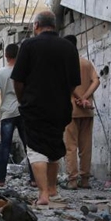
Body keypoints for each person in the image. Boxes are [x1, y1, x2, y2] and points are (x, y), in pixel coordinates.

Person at [11, 11, 81, 205]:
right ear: (54, 26)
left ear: (36, 25)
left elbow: (18, 79)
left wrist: (22, 99)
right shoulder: (68, 47)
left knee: (35, 149)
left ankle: (42, 194)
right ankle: (52, 189)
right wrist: (63, 96)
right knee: (54, 147)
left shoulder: (29, 45)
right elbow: (74, 82)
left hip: (34, 105)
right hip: (59, 107)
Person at [0, 43, 34, 188]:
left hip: (7, 113)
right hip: (22, 111)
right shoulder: (24, 71)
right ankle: (34, 179)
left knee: (5, 147)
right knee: (29, 146)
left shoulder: (1, 72)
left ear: (6, 55)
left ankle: (1, 180)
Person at [63, 35, 100, 189]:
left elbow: (67, 85)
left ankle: (72, 181)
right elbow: (96, 80)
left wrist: (79, 98)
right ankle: (85, 180)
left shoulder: (64, 64)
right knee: (86, 147)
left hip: (71, 110)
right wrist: (85, 98)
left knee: (71, 147)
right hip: (87, 110)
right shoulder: (86, 63)